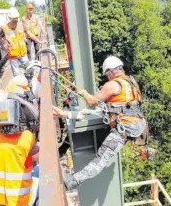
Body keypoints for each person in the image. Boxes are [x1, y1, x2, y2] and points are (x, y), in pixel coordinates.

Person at [53, 56, 147, 191]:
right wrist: (65, 114)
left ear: (111, 71)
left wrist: (84, 93)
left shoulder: (113, 85)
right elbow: (102, 111)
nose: (108, 77)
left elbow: (91, 102)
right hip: (137, 126)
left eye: (107, 74)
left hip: (124, 130)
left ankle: (71, 182)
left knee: (99, 161)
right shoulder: (131, 82)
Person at [1, 7, 45, 77]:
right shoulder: (4, 28)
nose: (15, 20)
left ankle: (28, 85)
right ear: (9, 18)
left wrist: (39, 41)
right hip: (13, 56)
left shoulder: (21, 24)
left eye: (16, 18)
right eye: (13, 18)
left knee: (29, 70)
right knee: (16, 75)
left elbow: (30, 34)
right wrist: (3, 46)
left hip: (22, 54)